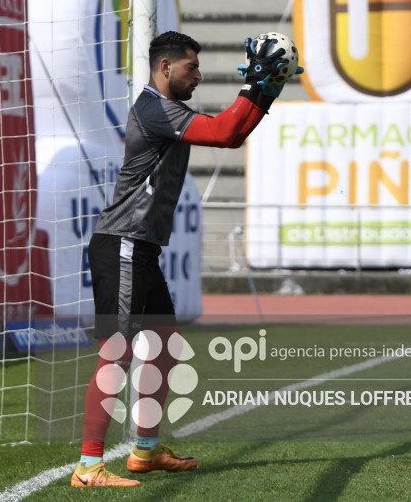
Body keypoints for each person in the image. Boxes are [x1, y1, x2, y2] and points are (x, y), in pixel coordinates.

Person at [70, 30, 301, 488]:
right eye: (190, 67)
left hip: (141, 247)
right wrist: (256, 83)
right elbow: (221, 131)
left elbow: (231, 137)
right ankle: (88, 467)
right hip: (121, 243)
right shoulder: (154, 108)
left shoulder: (169, 109)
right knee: (116, 355)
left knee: (163, 347)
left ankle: (146, 451)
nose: (198, 75)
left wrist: (264, 91)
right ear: (165, 68)